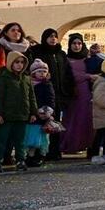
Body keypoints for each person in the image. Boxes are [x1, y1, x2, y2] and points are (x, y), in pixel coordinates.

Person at [27, 28, 73, 162]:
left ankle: (54, 150)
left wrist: (68, 90)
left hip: (58, 94)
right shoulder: (38, 52)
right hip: (42, 92)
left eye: (55, 36)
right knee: (40, 124)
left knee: (54, 123)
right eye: (50, 36)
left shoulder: (61, 54)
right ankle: (38, 152)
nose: (53, 38)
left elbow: (67, 73)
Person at [0, 52, 38, 173]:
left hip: (22, 115)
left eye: (22, 62)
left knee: (20, 141)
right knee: (1, 140)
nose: (19, 65)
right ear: (10, 63)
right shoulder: (3, 78)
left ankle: (20, 160)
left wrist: (33, 112)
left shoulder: (26, 78)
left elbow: (31, 97)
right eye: (16, 62)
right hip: (6, 116)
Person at [61, 33, 96, 158]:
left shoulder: (87, 59)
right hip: (73, 93)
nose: (77, 46)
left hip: (86, 93)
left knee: (86, 119)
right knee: (72, 119)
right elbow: (70, 75)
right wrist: (88, 77)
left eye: (79, 43)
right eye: (74, 44)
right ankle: (70, 144)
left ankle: (86, 144)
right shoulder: (66, 59)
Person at [25, 59, 55, 167]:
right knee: (31, 136)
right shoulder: (28, 84)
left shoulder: (47, 85)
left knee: (42, 138)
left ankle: (40, 155)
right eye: (39, 71)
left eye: (44, 71)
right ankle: (30, 155)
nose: (42, 74)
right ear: (33, 73)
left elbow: (51, 99)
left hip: (43, 115)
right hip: (31, 114)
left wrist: (47, 111)